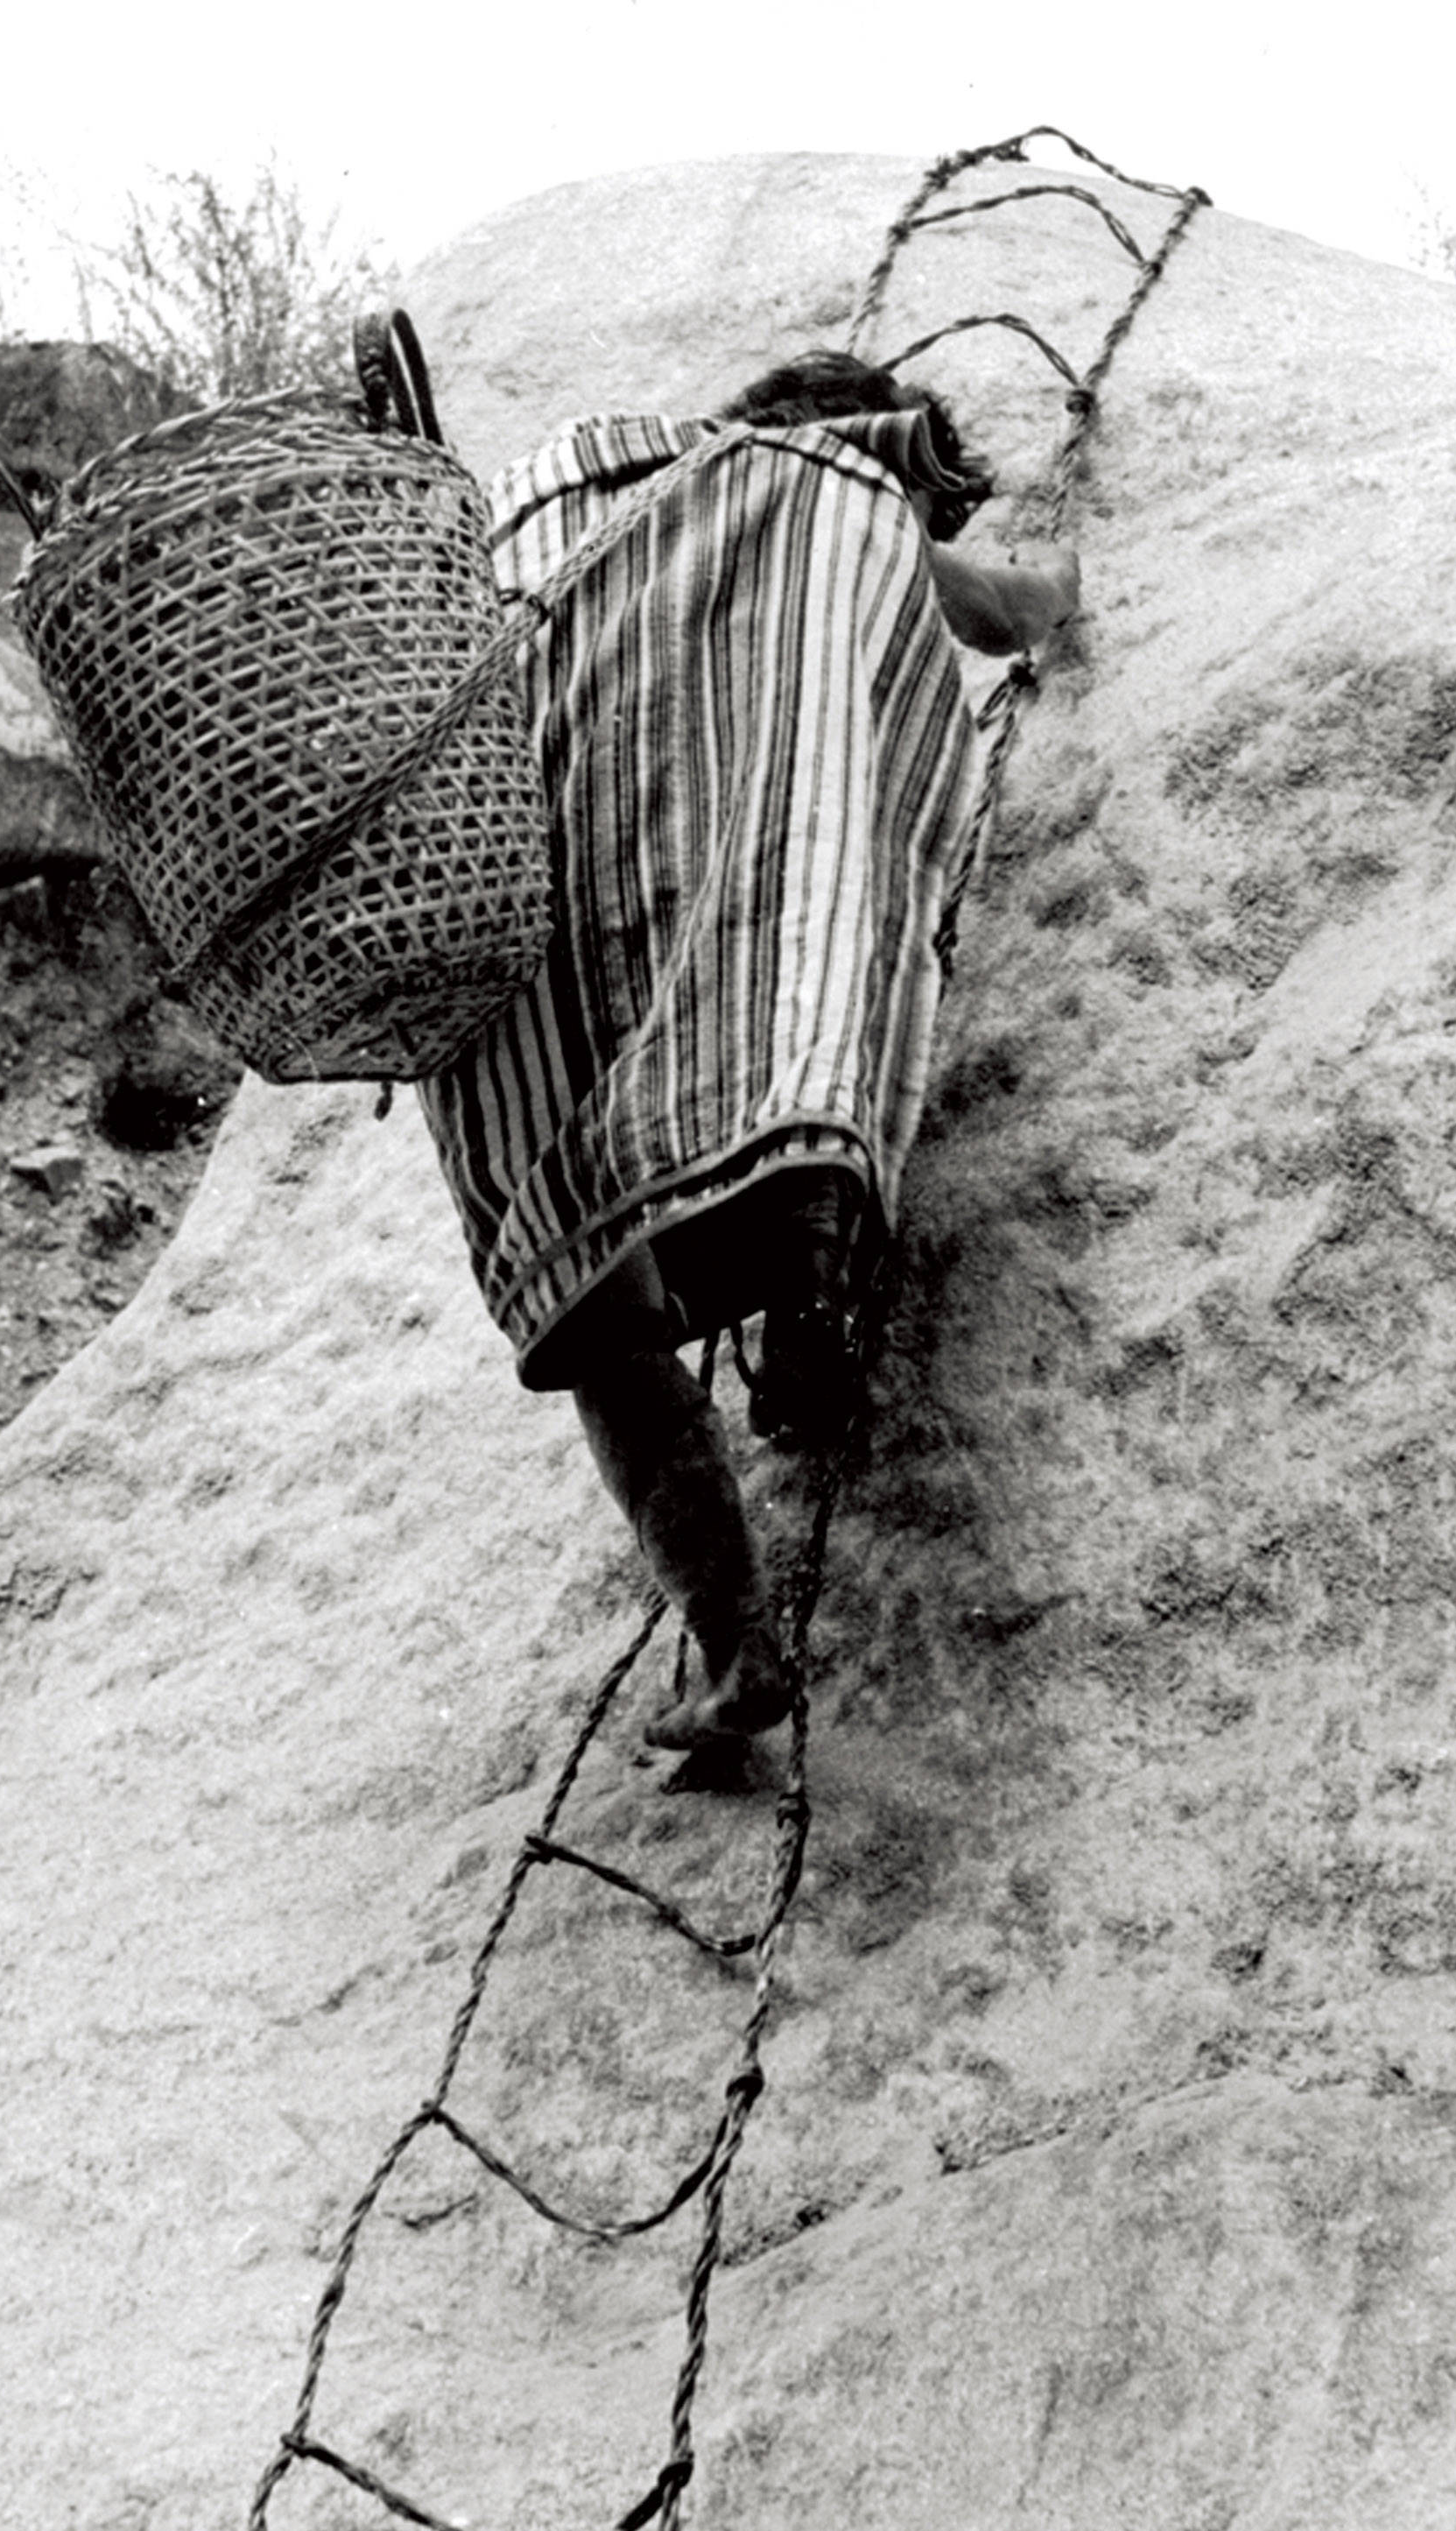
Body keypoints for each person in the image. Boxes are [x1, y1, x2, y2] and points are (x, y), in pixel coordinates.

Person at [419, 350, 1077, 1770]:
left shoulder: (568, 503)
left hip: (527, 890)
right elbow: (1021, 611)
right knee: (795, 968)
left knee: (585, 1281)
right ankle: (805, 1247)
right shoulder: (821, 504)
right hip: (715, 907)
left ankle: (733, 1644)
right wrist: (1056, 589)